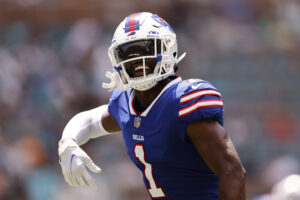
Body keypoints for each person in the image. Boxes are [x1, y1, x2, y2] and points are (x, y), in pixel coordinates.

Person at [58, 12, 246, 200]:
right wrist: (67, 142)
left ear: (167, 49)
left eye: (145, 49)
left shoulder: (182, 101)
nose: (136, 59)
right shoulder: (125, 102)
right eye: (128, 53)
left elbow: (233, 172)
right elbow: (89, 121)